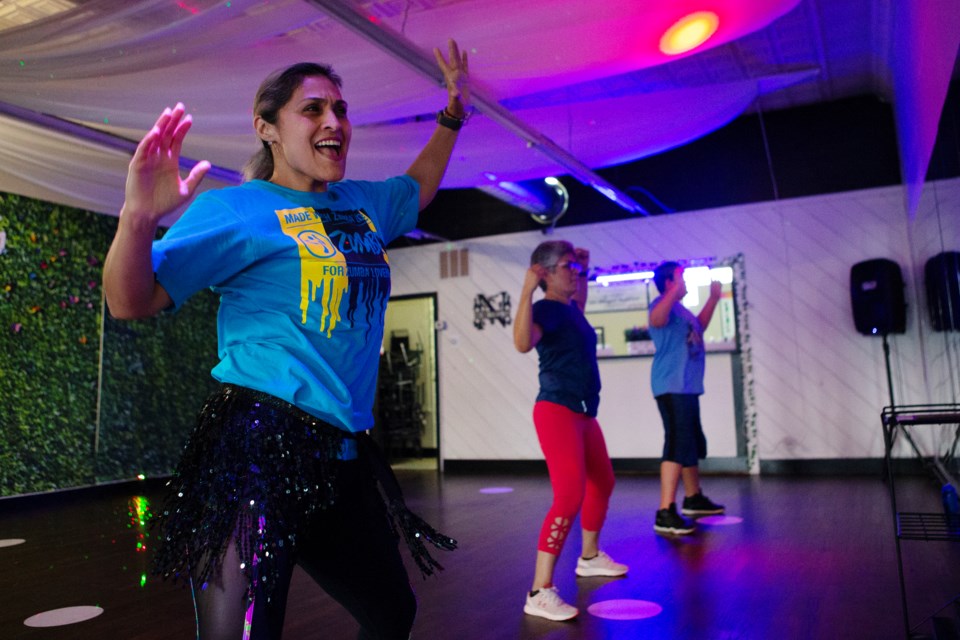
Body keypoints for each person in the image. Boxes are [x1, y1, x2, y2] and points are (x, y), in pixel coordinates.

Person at [102, 40, 470, 640]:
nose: (335, 122)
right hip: (255, 451)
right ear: (267, 128)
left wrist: (452, 116)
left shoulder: (363, 205)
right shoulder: (238, 210)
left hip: (343, 455)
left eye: (341, 110)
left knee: (391, 612)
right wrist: (138, 218)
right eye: (313, 109)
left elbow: (418, 186)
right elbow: (128, 300)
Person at [513, 240, 628, 622]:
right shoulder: (545, 307)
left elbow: (579, 299)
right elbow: (521, 343)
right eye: (568, 267)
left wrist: (585, 266)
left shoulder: (571, 310)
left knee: (604, 481)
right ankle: (539, 589)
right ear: (546, 273)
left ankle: (590, 556)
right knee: (568, 496)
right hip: (557, 410)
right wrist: (528, 290)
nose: (575, 273)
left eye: (575, 268)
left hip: (581, 412)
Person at [648, 261, 725, 535]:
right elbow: (656, 320)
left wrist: (714, 298)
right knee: (677, 441)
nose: (686, 283)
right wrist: (672, 292)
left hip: (688, 386)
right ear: (669, 283)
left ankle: (693, 498)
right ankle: (664, 511)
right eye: (681, 278)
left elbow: (699, 327)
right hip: (670, 385)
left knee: (691, 440)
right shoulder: (661, 305)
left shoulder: (681, 311)